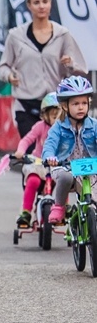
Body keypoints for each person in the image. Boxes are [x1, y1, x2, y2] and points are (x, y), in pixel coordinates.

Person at [0, 0, 87, 138]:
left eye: (45, 1)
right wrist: (9, 76)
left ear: (50, 4)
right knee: (32, 153)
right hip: (26, 102)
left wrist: (69, 63)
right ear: (29, 6)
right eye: (36, 2)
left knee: (56, 153)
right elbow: (3, 66)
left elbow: (81, 69)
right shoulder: (15, 36)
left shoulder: (62, 34)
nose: (41, 6)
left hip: (56, 104)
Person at [43, 76, 97, 224]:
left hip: (91, 170)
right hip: (65, 167)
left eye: (84, 103)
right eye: (75, 104)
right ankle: (59, 206)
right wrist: (50, 157)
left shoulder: (94, 125)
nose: (81, 107)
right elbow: (49, 145)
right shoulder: (58, 127)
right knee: (66, 177)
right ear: (65, 106)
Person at [13, 92, 60, 227]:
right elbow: (27, 139)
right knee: (33, 181)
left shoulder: (65, 129)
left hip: (56, 165)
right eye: (53, 116)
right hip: (38, 163)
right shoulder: (40, 126)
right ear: (45, 115)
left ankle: (63, 209)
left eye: (60, 116)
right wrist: (21, 151)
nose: (57, 120)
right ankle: (26, 212)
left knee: (65, 180)